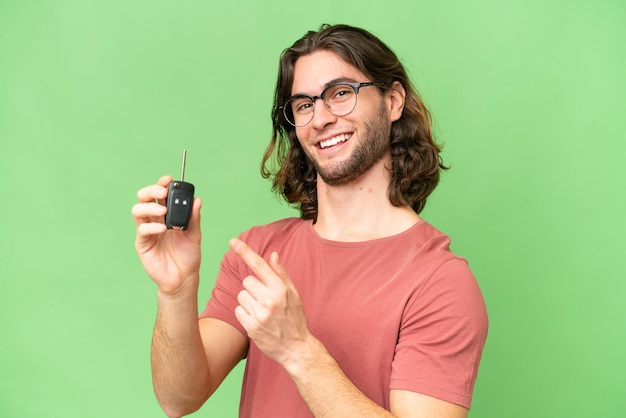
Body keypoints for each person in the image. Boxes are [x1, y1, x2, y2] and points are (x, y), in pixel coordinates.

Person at [132, 23, 488, 418]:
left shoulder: (440, 281)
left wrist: (297, 349)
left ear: (393, 101)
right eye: (304, 104)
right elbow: (178, 398)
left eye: (340, 94)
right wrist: (177, 291)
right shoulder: (258, 255)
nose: (320, 118)